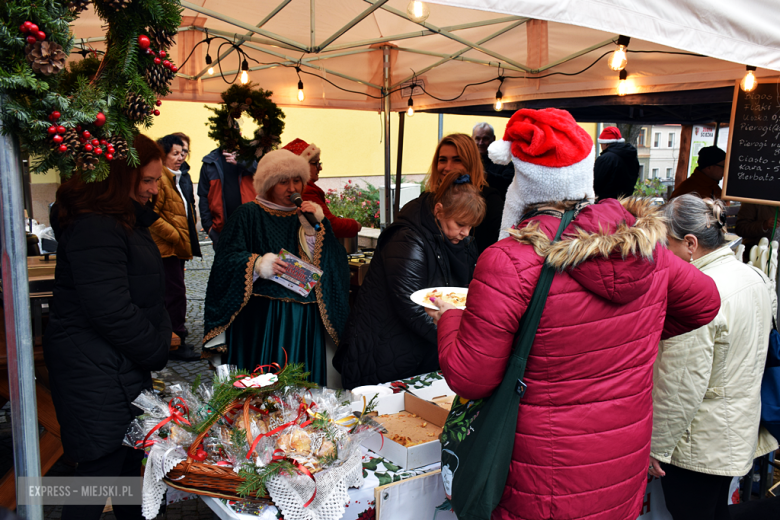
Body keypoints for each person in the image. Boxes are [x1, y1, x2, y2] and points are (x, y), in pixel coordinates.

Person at [427, 108, 722, 520]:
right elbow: (705, 301)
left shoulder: (510, 261)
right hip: (620, 467)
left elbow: (471, 377)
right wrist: (632, 336)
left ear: (522, 184)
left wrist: (449, 320)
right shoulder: (645, 246)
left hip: (542, 480)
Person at [44, 134, 171, 520]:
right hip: (98, 370)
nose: (154, 190)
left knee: (128, 468)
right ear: (120, 178)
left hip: (115, 365)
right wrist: (156, 347)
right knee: (99, 472)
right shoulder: (97, 227)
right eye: (147, 180)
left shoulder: (119, 219)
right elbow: (111, 309)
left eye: (156, 180)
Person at [650, 194, 778, 520]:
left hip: (699, 440)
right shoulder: (755, 277)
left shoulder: (699, 292)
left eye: (666, 244)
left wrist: (656, 447)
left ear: (690, 243)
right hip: (735, 430)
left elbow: (681, 383)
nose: (663, 253)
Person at [202, 149, 350, 386]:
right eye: (283, 182)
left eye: (297, 180)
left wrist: (314, 232)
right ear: (269, 184)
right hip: (263, 319)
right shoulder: (247, 215)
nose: (292, 188)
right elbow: (225, 263)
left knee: (305, 385)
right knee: (266, 382)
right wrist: (258, 264)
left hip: (307, 321)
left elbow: (334, 265)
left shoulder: (309, 216)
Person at [333, 169, 486, 388]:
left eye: (471, 226)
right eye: (460, 224)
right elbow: (410, 306)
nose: (465, 233)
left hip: (413, 351)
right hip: (384, 352)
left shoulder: (448, 235)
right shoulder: (407, 239)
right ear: (439, 211)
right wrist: (452, 337)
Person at [152, 134, 202, 361]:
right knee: (174, 293)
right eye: (175, 153)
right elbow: (152, 216)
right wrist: (176, 235)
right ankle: (175, 339)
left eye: (183, 153)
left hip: (175, 247)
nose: (181, 157)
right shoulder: (160, 179)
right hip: (166, 248)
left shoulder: (175, 177)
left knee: (173, 291)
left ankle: (174, 335)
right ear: (163, 156)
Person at [426, 133, 503, 254]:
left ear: (471, 162)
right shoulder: (429, 198)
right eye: (442, 160)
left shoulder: (490, 200)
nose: (448, 167)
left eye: (457, 160)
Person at [283, 138, 362, 238]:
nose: (320, 168)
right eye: (316, 163)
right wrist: (355, 225)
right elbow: (330, 225)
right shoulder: (305, 190)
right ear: (302, 166)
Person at [197, 147, 257, 248]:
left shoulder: (252, 155)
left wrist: (243, 162)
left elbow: (268, 173)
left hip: (253, 229)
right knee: (225, 263)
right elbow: (203, 196)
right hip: (222, 231)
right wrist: (209, 228)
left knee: (254, 262)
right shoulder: (210, 162)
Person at [593, 126, 640, 200]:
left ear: (606, 144)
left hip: (607, 204)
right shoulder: (632, 157)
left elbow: (595, 183)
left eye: (601, 144)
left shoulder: (606, 158)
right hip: (626, 202)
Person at [472, 122, 514, 196]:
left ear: (493, 139)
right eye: (477, 139)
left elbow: (508, 185)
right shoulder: (464, 161)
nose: (481, 143)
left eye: (485, 139)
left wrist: (485, 176)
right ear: (472, 139)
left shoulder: (505, 163)